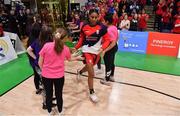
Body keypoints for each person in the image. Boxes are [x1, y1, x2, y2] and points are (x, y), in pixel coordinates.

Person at [38, 28, 83, 115]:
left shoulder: (46, 46)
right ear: (65, 38)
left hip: (46, 76)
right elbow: (69, 59)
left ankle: (49, 112)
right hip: (59, 76)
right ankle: (60, 111)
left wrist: (45, 72)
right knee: (59, 95)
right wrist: (78, 57)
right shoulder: (65, 49)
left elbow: (40, 62)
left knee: (49, 94)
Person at [73, 9, 110, 102]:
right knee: (91, 73)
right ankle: (92, 92)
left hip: (97, 52)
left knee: (89, 67)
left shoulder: (103, 28)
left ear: (98, 17)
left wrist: (102, 49)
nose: (94, 19)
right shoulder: (84, 26)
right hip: (86, 50)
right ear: (88, 16)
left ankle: (80, 72)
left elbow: (107, 40)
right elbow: (81, 39)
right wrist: (76, 47)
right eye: (92, 17)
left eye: (96, 17)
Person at [27, 25, 53, 94]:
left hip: (38, 65)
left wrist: (36, 57)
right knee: (46, 83)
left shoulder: (37, 40)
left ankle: (46, 96)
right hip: (43, 66)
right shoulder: (48, 43)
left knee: (43, 81)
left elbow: (28, 50)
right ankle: (46, 100)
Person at [100, 13, 118, 86]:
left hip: (110, 48)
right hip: (114, 47)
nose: (102, 22)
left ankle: (107, 80)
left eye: (103, 21)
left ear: (107, 21)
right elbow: (117, 38)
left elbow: (112, 43)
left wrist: (105, 50)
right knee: (111, 62)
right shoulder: (114, 27)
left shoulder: (109, 30)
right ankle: (111, 76)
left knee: (108, 64)